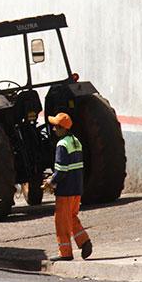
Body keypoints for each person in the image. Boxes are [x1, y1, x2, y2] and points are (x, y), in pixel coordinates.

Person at [43, 112, 93, 261]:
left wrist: (50, 182)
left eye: (55, 127)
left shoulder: (62, 144)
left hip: (65, 190)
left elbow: (61, 170)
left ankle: (65, 253)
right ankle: (84, 241)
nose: (53, 130)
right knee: (71, 217)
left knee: (61, 221)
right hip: (77, 188)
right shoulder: (76, 142)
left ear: (62, 129)